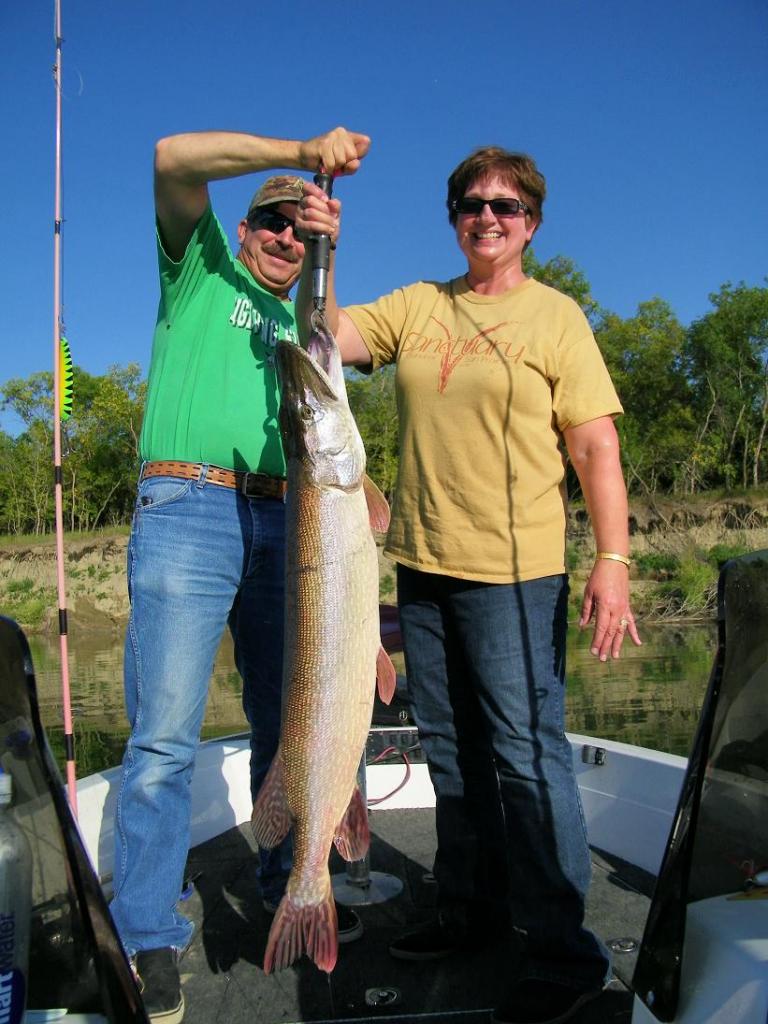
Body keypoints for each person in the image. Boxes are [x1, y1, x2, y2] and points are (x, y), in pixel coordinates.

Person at [295, 145, 642, 1024]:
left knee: (527, 757)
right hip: (423, 566)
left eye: (506, 206)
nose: (487, 217)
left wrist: (613, 560)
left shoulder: (557, 318)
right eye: (471, 204)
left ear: (531, 222)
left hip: (517, 575)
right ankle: (472, 914)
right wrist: (321, 248)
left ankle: (565, 955)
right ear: (454, 217)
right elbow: (326, 338)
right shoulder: (421, 304)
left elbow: (595, 447)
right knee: (451, 756)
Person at [110, 126, 370, 1024]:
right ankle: (147, 935)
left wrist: (330, 237)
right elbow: (172, 158)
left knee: (289, 712)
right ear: (245, 224)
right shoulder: (201, 271)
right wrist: (304, 154)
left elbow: (333, 377)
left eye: (301, 234)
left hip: (290, 516)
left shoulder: (301, 325)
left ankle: (287, 884)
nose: (285, 240)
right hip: (190, 506)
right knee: (163, 739)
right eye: (273, 222)